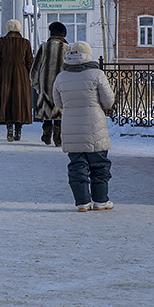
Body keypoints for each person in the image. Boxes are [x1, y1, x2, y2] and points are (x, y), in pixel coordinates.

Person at [53, 41, 116, 211]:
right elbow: (108, 102)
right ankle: (101, 201)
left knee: (77, 166)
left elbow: (58, 102)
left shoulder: (61, 76)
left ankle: (82, 202)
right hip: (94, 126)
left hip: (71, 125)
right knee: (100, 165)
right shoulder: (97, 74)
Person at [0, 19, 33, 141]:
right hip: (21, 76)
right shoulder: (25, 43)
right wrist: (31, 76)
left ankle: (9, 127)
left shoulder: (2, 42)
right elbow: (30, 62)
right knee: (20, 101)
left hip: (4, 75)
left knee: (6, 100)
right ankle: (18, 129)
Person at [31, 21, 69, 146]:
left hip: (45, 84)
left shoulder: (44, 47)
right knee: (59, 111)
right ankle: (58, 138)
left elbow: (35, 68)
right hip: (62, 85)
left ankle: (46, 135)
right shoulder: (68, 49)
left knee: (47, 110)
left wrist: (36, 84)